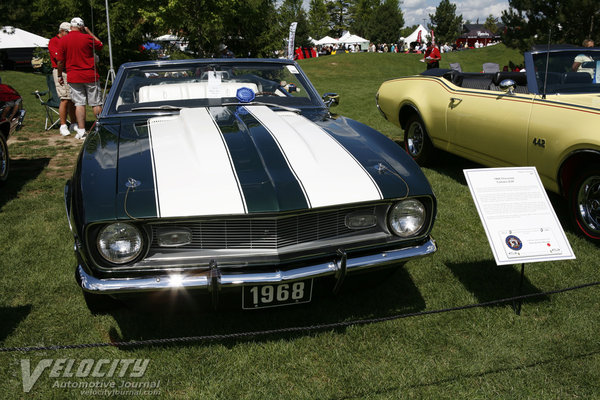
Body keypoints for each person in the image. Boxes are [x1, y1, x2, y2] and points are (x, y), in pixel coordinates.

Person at [57, 17, 103, 140]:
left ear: (71, 27)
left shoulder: (63, 40)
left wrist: (59, 75)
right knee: (96, 103)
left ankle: (82, 131)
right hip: (90, 75)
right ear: (81, 26)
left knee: (79, 103)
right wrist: (88, 32)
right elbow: (100, 45)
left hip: (74, 76)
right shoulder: (87, 38)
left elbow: (60, 61)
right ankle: (102, 127)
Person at [48, 21, 77, 136]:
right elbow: (58, 56)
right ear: (62, 31)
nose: (69, 34)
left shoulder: (68, 40)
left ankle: (73, 123)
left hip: (69, 70)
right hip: (60, 71)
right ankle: (63, 124)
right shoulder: (54, 41)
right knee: (64, 98)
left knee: (72, 98)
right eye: (67, 32)